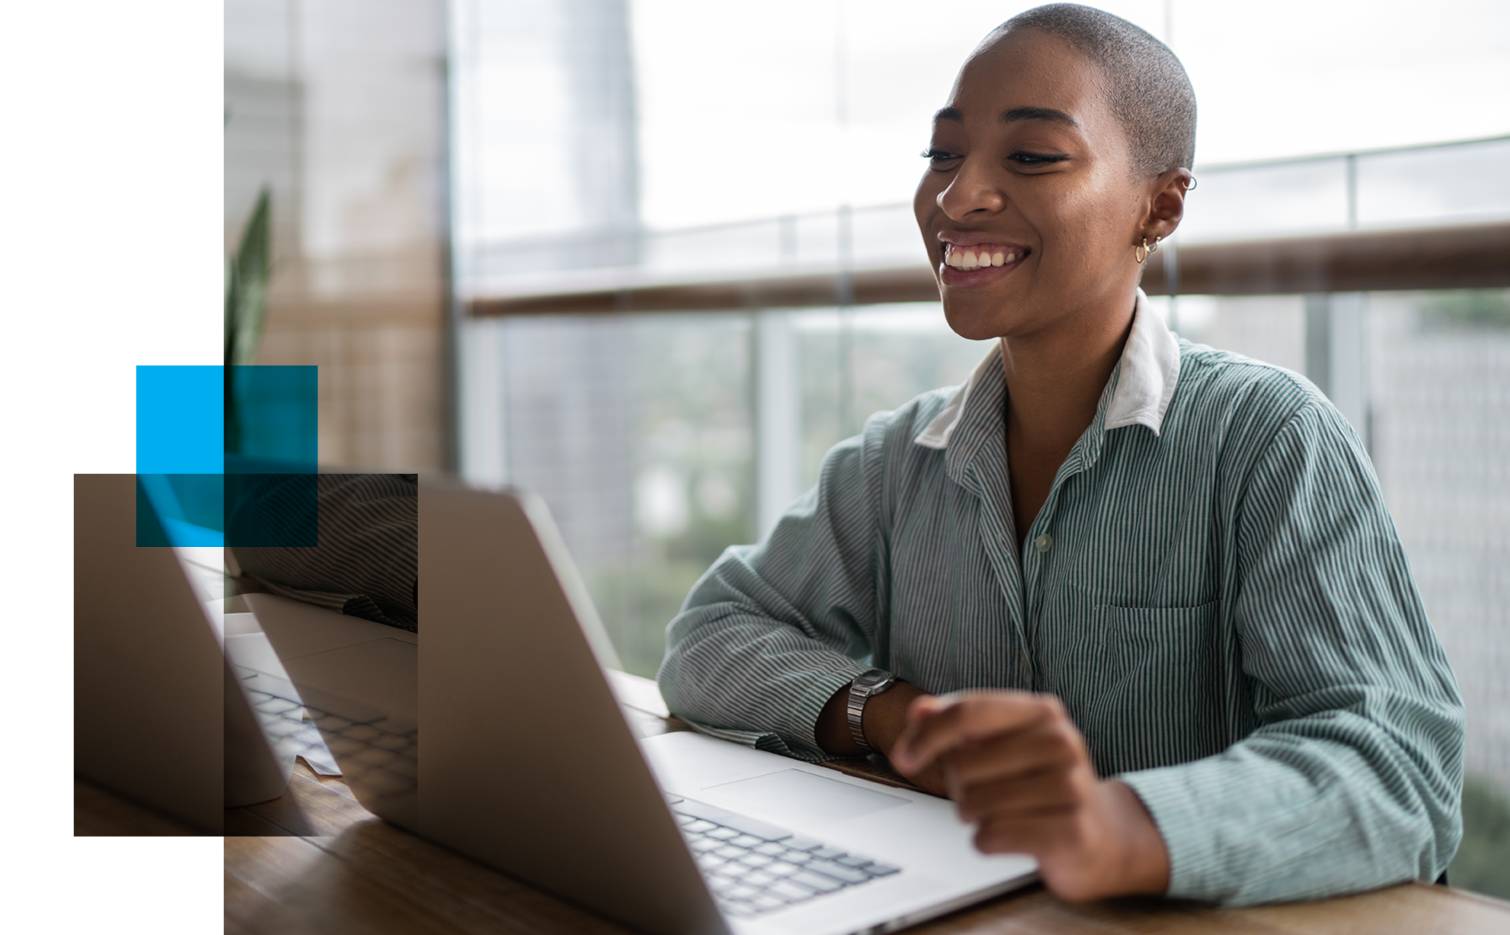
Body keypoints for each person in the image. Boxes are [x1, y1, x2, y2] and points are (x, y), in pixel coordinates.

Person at [655, 3, 1464, 906]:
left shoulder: (1268, 439)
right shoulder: (895, 460)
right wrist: (894, 715)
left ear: (1159, 205)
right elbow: (708, 640)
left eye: (1033, 156)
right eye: (944, 154)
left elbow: (1401, 765)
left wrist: (1123, 825)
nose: (958, 197)